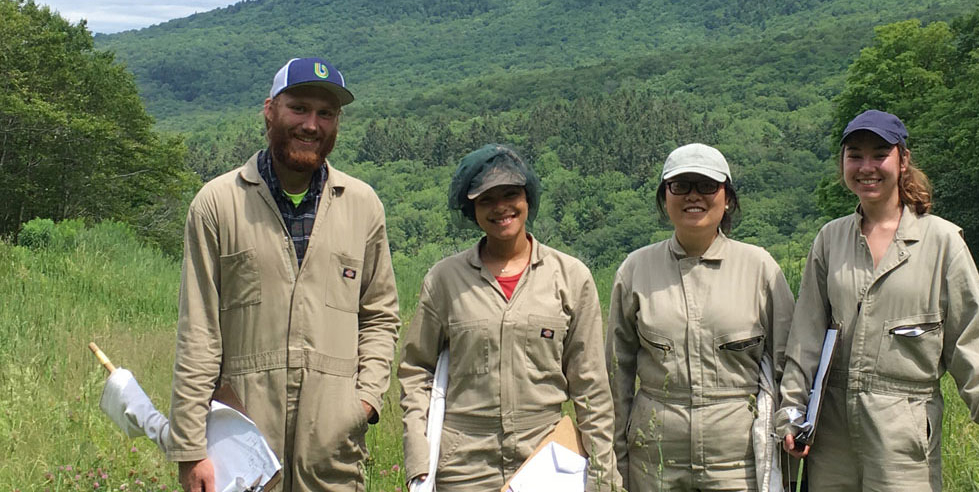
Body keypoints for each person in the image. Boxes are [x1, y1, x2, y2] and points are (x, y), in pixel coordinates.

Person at [168, 57, 400, 492]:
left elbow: (381, 315)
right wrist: (190, 446)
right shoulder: (218, 204)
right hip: (241, 445)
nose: (312, 124)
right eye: (299, 108)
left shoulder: (362, 205)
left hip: (332, 449)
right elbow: (197, 331)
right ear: (270, 110)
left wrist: (363, 401)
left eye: (326, 113)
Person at [777, 110, 979, 491]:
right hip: (830, 433)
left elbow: (971, 338)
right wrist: (792, 414)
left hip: (905, 431)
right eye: (855, 155)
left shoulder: (942, 242)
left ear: (903, 160)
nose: (867, 167)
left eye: (879, 154)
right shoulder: (830, 240)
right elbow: (807, 337)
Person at [399, 144, 617, 492]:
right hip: (463, 464)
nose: (501, 207)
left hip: (546, 458)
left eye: (511, 194)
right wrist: (418, 457)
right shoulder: (444, 280)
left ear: (528, 198)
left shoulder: (570, 277)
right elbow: (416, 370)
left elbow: (591, 385)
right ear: (472, 210)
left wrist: (603, 474)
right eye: (486, 199)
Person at [606, 143, 796, 492]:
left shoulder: (760, 268)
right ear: (665, 197)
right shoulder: (636, 269)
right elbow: (616, 377)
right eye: (680, 186)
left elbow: (789, 365)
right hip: (655, 462)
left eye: (707, 186)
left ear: (727, 198)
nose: (694, 196)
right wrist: (615, 460)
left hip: (738, 465)